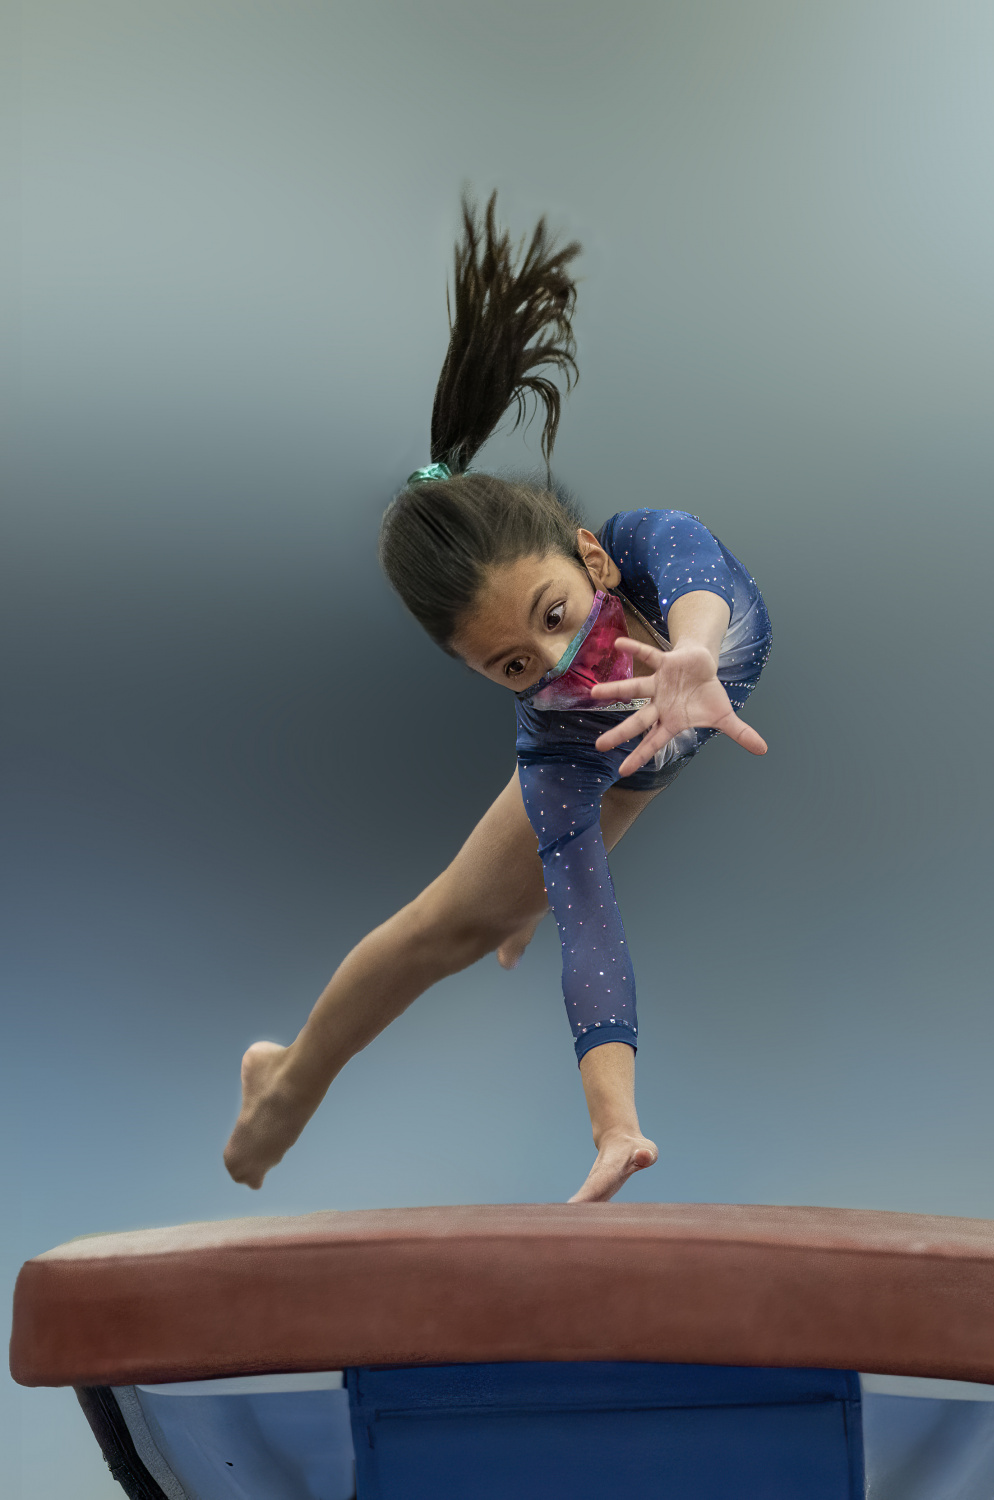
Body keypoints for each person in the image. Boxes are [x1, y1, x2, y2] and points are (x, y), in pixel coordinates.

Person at [223, 194, 772, 1202]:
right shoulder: (560, 751)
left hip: (643, 753)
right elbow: (595, 938)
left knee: (543, 871)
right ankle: (284, 1086)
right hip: (602, 770)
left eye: (556, 613)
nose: (559, 665)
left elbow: (704, 590)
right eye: (514, 667)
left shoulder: (653, 547)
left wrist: (694, 654)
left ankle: (516, 899)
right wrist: (616, 1127)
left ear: (593, 558)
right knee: (451, 928)